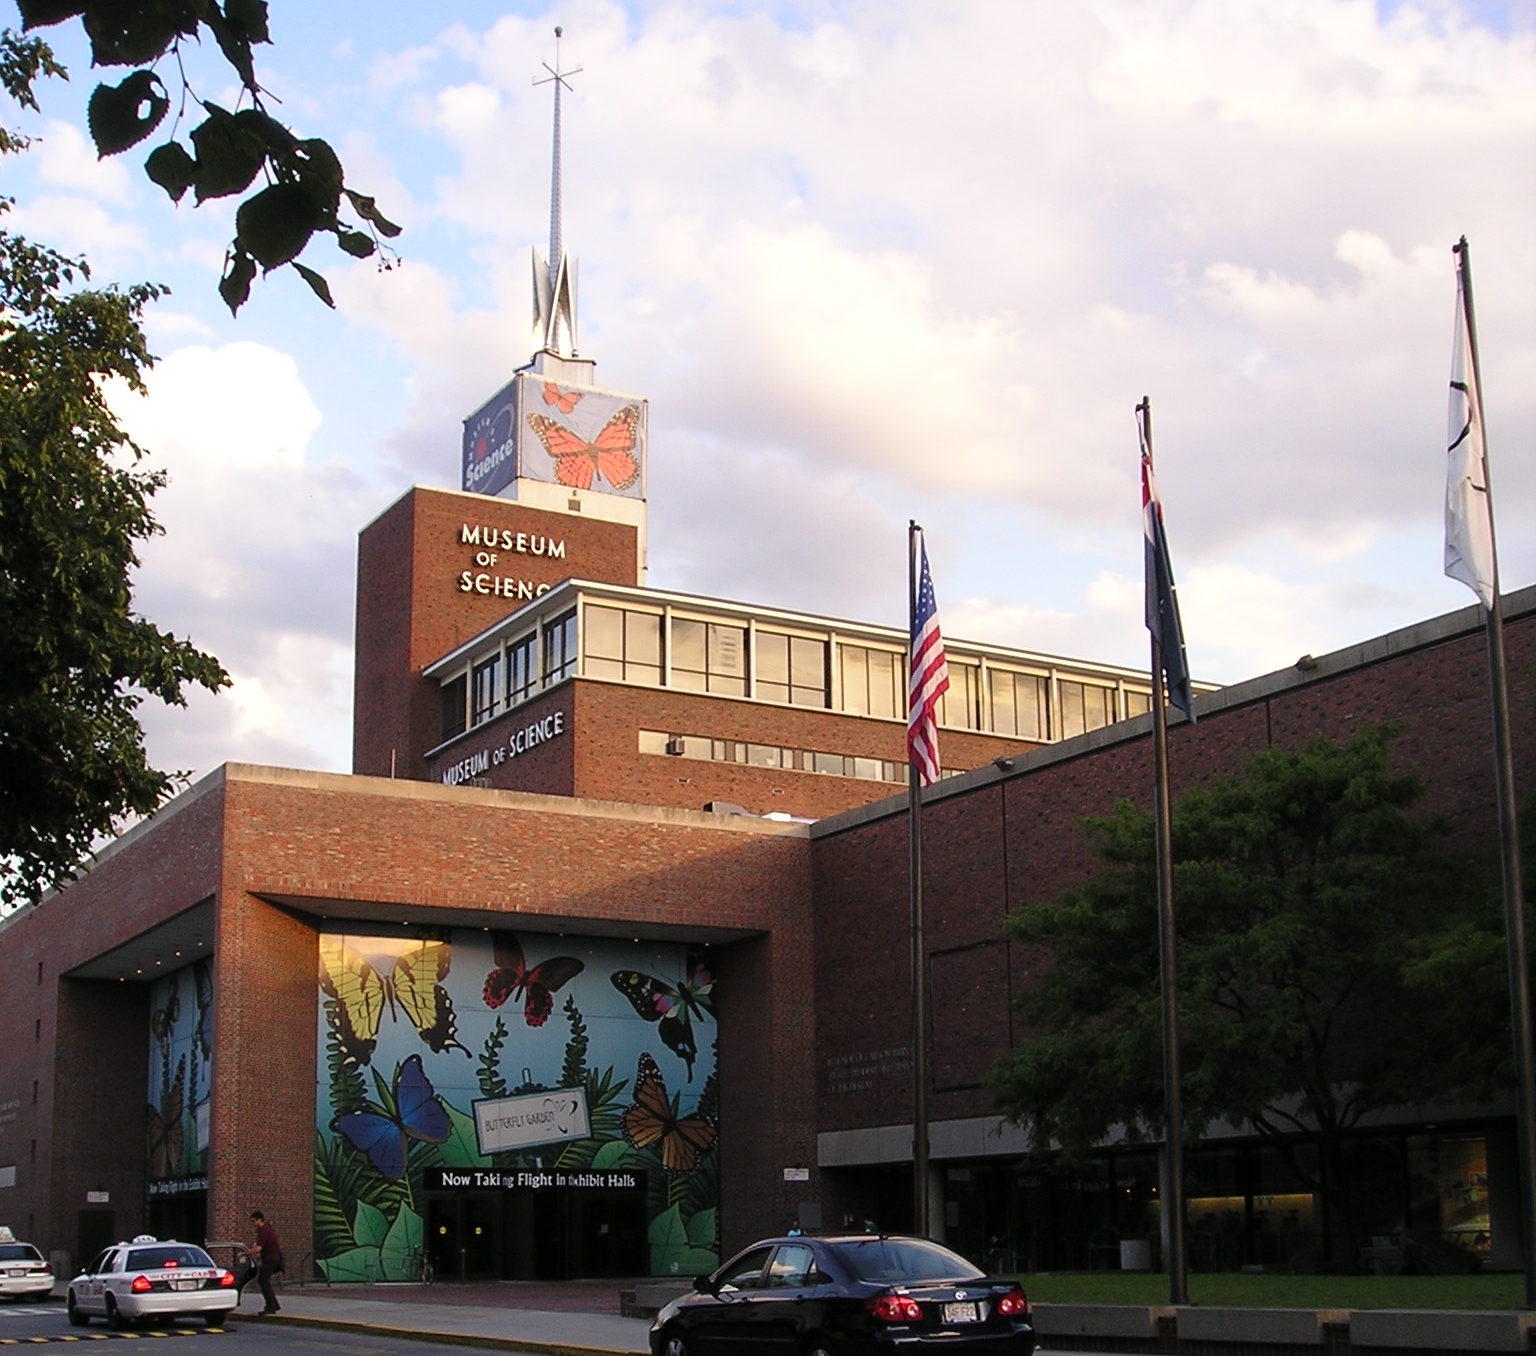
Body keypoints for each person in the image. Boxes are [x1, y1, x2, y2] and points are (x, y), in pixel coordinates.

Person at [250, 1210, 283, 1314]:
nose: (253, 1224)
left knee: (263, 1281)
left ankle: (271, 1306)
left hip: (271, 1259)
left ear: (260, 1220)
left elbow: (258, 1249)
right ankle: (273, 1304)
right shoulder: (264, 1230)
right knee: (264, 1281)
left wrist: (243, 1254)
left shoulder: (264, 1230)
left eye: (254, 1221)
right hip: (271, 1258)